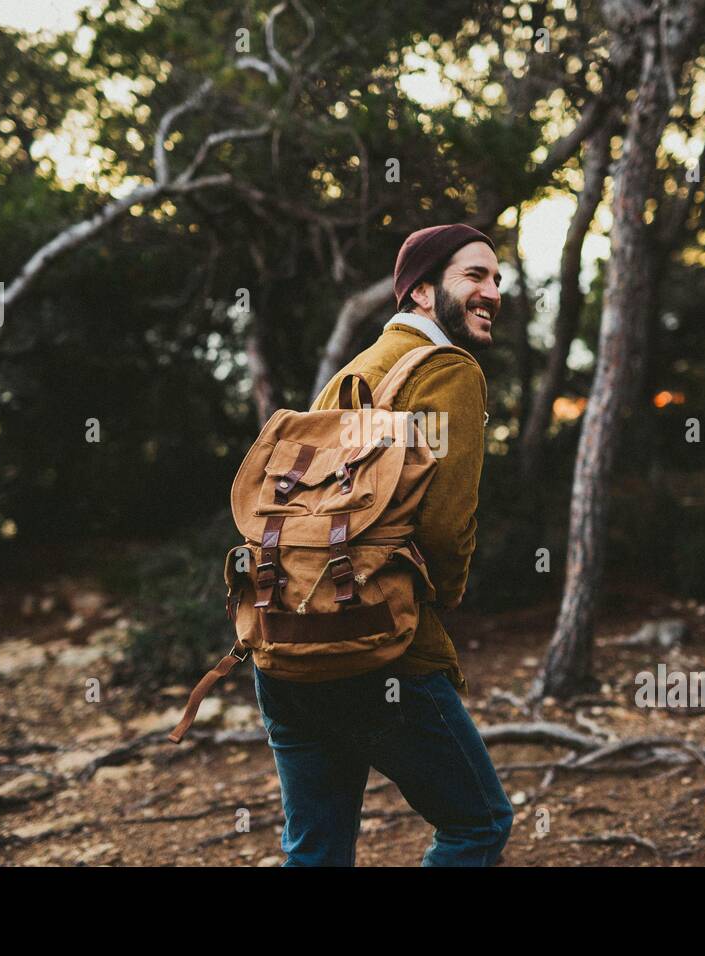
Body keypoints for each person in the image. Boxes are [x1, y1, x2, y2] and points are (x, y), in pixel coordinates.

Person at [251, 223, 515, 866]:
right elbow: (446, 525)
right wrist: (442, 597)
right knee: (478, 824)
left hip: (286, 643)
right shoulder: (448, 371)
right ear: (421, 292)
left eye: (497, 278)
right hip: (378, 648)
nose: (492, 291)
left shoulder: (352, 373)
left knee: (316, 851)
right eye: (474, 275)